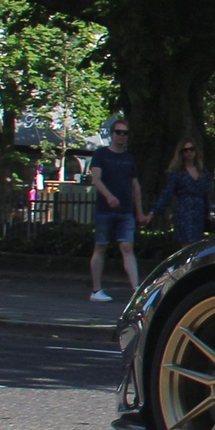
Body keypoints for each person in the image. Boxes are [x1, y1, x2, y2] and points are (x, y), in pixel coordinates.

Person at [87, 116, 146, 302]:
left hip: (125, 209)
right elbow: (96, 179)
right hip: (105, 209)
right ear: (112, 134)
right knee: (101, 246)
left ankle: (136, 289)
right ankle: (96, 290)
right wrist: (109, 196)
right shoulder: (101, 154)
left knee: (127, 246)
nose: (122, 136)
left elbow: (135, 185)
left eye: (125, 133)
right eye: (118, 132)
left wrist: (139, 211)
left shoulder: (129, 158)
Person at [150, 140, 215, 246]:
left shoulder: (203, 171)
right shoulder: (176, 172)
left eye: (191, 149)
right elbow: (167, 193)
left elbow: (208, 193)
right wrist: (154, 212)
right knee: (186, 245)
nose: (189, 152)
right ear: (181, 153)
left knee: (197, 245)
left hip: (199, 211)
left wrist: (211, 211)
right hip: (183, 210)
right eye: (185, 150)